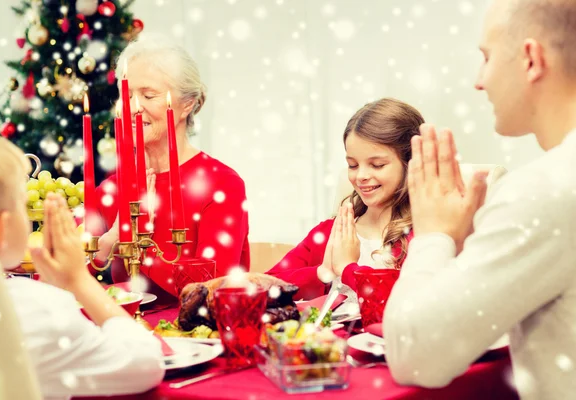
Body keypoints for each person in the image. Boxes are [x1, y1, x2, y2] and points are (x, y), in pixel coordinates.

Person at [383, 0, 576, 398]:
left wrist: (433, 235)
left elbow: (414, 354)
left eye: (486, 58)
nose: (479, 80)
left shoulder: (549, 188)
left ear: (530, 59)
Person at [0, 132, 164, 398]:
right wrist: (79, 281)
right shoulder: (32, 308)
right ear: (1, 227)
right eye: (22, 202)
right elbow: (144, 362)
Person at [94, 34, 250, 302]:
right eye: (127, 94)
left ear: (186, 105)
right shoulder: (112, 187)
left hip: (198, 338)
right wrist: (110, 239)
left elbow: (208, 290)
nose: (132, 107)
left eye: (148, 95)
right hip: (127, 335)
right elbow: (67, 272)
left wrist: (138, 246)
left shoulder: (222, 184)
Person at [267, 98, 420, 307]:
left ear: (410, 163)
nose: (361, 176)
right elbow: (264, 287)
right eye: (353, 165)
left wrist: (348, 268)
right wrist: (322, 272)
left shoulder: (424, 236)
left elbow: (410, 304)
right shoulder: (332, 232)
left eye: (377, 165)